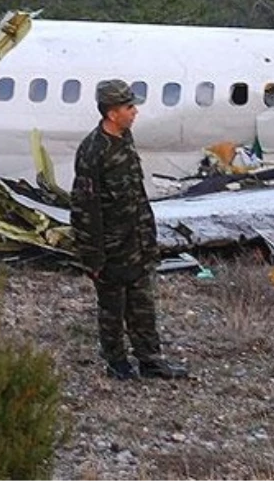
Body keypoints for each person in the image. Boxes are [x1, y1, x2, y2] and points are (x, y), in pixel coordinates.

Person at [71, 79, 189, 381]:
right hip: (111, 248)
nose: (135, 112)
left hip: (137, 242)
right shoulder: (92, 151)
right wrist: (92, 257)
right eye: (128, 107)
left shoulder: (125, 138)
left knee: (143, 305)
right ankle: (116, 362)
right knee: (112, 308)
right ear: (112, 113)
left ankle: (150, 360)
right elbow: (85, 208)